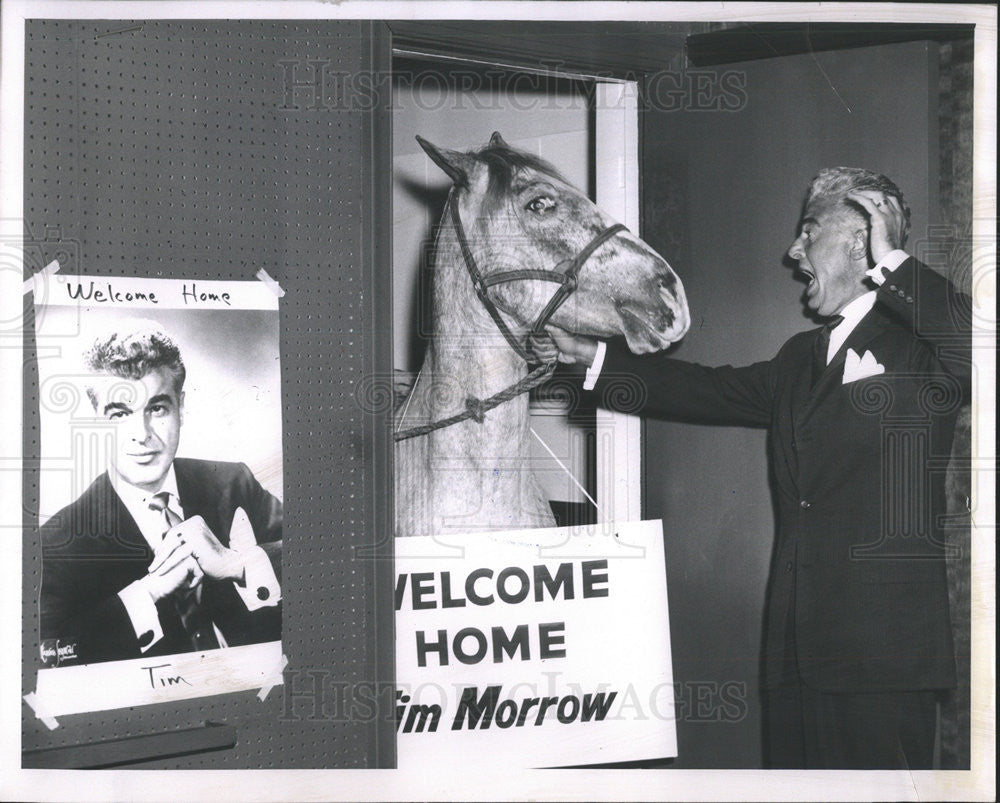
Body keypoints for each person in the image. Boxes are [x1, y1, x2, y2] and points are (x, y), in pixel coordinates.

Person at [540, 168, 971, 769]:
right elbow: (709, 392)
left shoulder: (924, 348)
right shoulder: (800, 357)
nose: (793, 252)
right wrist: (591, 358)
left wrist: (892, 258)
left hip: (882, 661)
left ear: (859, 236)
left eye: (809, 230)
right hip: (795, 655)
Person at [39, 321, 282, 665]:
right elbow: (47, 657)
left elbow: (325, 562)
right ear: (95, 421)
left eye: (157, 408)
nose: (142, 434)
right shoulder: (55, 543)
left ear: (181, 407)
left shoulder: (233, 482)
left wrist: (239, 564)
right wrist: (148, 591)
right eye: (120, 413)